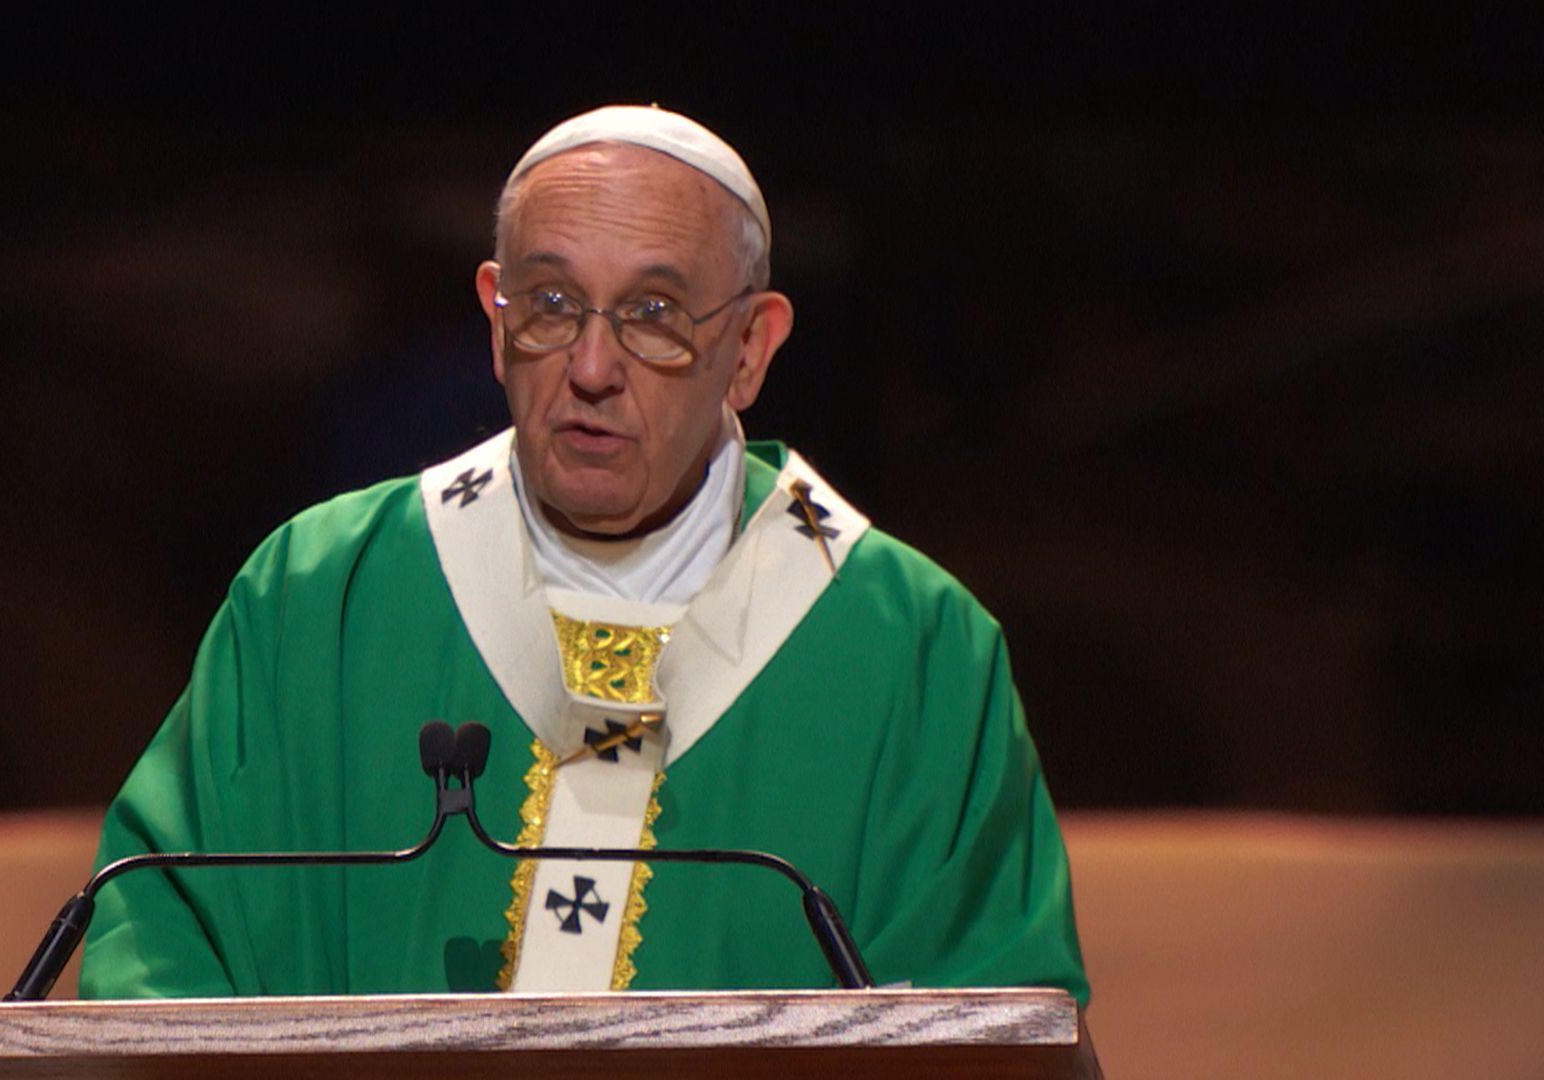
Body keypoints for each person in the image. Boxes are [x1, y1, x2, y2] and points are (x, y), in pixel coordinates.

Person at [79, 105, 1089, 1004]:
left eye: (654, 316)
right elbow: (160, 957)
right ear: (494, 318)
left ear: (750, 350)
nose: (592, 369)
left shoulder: (913, 648)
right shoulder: (318, 596)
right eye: (553, 306)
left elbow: (990, 1019)